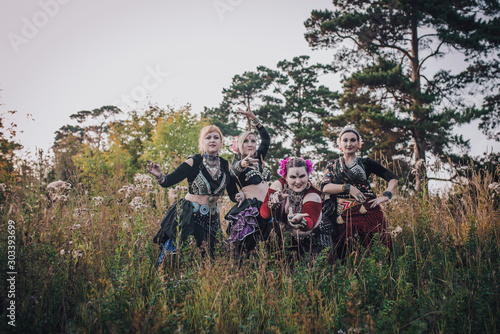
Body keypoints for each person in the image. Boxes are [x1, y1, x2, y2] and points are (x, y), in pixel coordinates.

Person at [147, 125, 238, 266]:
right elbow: (168, 181)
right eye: (208, 137)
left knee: (209, 262)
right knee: (178, 259)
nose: (212, 140)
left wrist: (242, 196)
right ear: (202, 143)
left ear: (221, 142)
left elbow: (233, 195)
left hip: (212, 221)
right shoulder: (193, 162)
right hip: (189, 217)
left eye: (216, 137)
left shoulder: (226, 166)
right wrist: (159, 176)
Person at [321, 127, 398, 258]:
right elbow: (325, 187)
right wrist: (348, 188)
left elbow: (393, 179)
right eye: (345, 140)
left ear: (359, 143)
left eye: (353, 140)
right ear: (339, 144)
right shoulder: (332, 165)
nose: (349, 144)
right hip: (343, 212)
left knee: (378, 248)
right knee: (345, 251)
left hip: (369, 209)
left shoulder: (366, 163)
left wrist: (386, 196)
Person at [260, 157, 334, 256]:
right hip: (285, 240)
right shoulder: (278, 186)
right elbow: (265, 215)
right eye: (293, 177)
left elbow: (309, 223)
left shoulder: (313, 195)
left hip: (314, 241)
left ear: (308, 175)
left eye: (302, 176)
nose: (298, 182)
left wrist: (301, 222)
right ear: (285, 177)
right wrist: (272, 205)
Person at [225, 108, 272, 256]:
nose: (250, 143)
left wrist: (254, 118)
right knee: (247, 250)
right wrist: (242, 164)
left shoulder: (259, 159)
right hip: (253, 209)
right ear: (239, 145)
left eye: (253, 140)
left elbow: (266, 140)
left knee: (270, 249)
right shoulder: (237, 164)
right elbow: (232, 174)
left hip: (269, 207)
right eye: (246, 141)